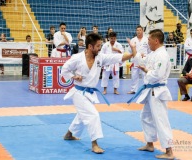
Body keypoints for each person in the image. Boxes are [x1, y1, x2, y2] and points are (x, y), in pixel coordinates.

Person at [60, 33, 137, 154]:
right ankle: (94, 144)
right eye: (98, 46)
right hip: (79, 93)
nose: (100, 48)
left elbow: (118, 58)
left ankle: (69, 134)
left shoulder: (100, 57)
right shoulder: (77, 58)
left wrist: (133, 52)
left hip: (90, 93)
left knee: (82, 115)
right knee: (93, 115)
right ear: (90, 46)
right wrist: (73, 76)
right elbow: (64, 69)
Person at [127, 29, 174, 159]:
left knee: (161, 120)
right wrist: (133, 48)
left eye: (149, 40)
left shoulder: (162, 55)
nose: (147, 42)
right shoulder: (154, 53)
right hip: (150, 91)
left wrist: (146, 70)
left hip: (158, 91)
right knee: (145, 116)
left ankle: (169, 151)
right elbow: (141, 62)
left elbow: (157, 75)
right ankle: (150, 143)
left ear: (156, 40)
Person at [127, 25, 151, 94]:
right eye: (137, 30)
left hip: (144, 59)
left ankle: (146, 88)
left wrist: (146, 56)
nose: (138, 32)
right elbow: (130, 50)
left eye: (140, 30)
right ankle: (133, 90)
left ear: (142, 31)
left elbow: (149, 50)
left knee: (145, 75)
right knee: (134, 75)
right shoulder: (133, 40)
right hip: (135, 60)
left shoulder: (146, 40)